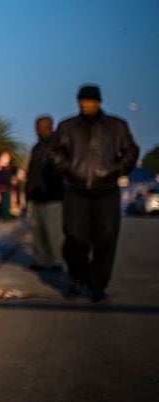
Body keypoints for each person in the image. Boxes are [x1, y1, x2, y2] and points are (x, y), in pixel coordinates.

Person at [50, 85, 138, 304]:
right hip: (76, 191)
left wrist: (117, 170)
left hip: (106, 191)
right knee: (74, 239)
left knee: (105, 240)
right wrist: (67, 169)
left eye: (89, 101)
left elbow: (131, 151)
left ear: (98, 102)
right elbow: (53, 152)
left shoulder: (116, 126)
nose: (84, 104)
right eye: (81, 100)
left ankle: (98, 286)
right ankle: (77, 278)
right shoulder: (67, 126)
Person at [26, 115, 65, 271]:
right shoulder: (37, 147)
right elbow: (31, 171)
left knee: (53, 231)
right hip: (36, 195)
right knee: (37, 230)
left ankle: (57, 260)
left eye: (39, 127)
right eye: (36, 127)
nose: (36, 130)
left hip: (53, 195)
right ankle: (40, 260)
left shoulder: (58, 145)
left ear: (49, 126)